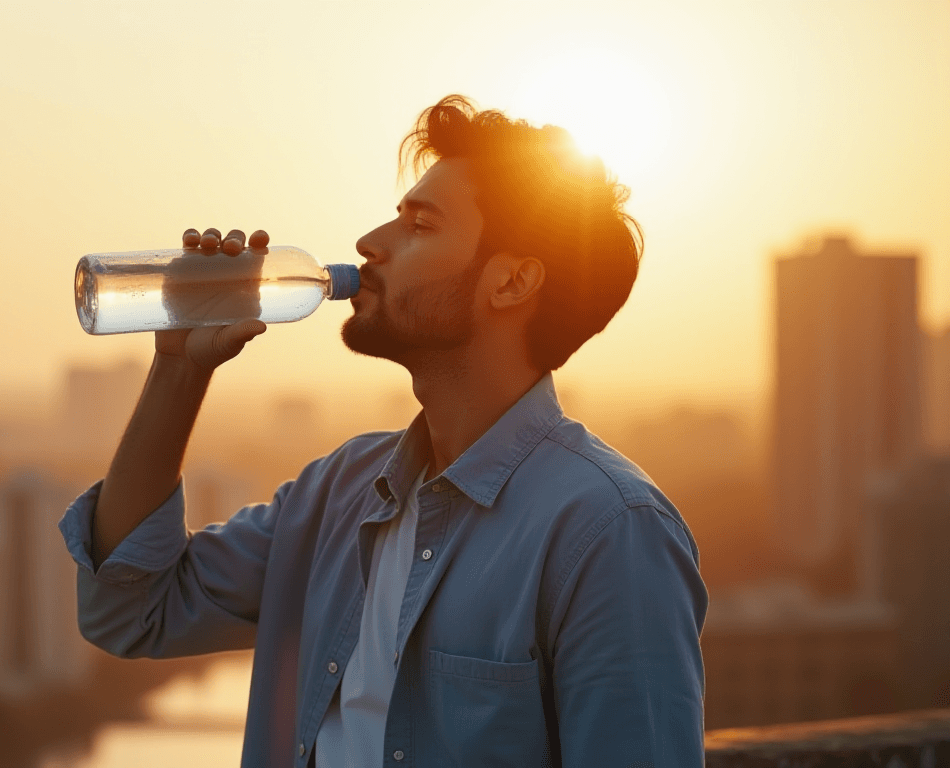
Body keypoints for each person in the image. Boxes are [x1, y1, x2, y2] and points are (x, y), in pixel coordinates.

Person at [60, 95, 708, 767]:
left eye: (420, 225)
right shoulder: (339, 492)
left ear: (512, 281)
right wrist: (178, 369)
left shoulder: (608, 529)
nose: (371, 243)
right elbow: (130, 611)